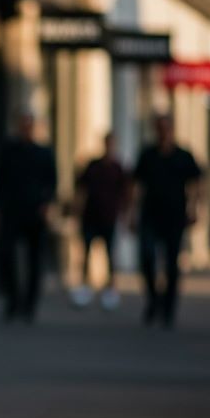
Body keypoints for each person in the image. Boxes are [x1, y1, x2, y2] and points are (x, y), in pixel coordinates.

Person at [133, 115, 202, 328]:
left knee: (172, 264)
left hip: (174, 217)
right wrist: (131, 212)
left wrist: (195, 208)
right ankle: (154, 300)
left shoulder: (183, 156)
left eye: (166, 128)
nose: (163, 133)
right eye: (159, 128)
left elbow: (197, 183)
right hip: (150, 215)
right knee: (146, 257)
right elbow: (136, 185)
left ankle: (168, 309)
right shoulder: (148, 155)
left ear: (172, 130)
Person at [0, 113, 57, 322]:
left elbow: (52, 182)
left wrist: (47, 204)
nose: (25, 130)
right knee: (6, 255)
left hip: (34, 212)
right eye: (22, 126)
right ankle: (14, 299)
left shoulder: (43, 153)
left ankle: (30, 304)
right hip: (12, 211)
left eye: (29, 126)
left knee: (34, 259)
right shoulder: (9, 151)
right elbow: (1, 181)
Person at [71, 132, 129, 310]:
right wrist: (77, 210)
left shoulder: (118, 168)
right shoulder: (93, 166)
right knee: (86, 252)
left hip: (109, 218)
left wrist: (125, 214)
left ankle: (110, 290)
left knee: (109, 254)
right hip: (90, 217)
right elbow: (81, 189)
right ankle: (84, 287)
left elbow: (125, 193)